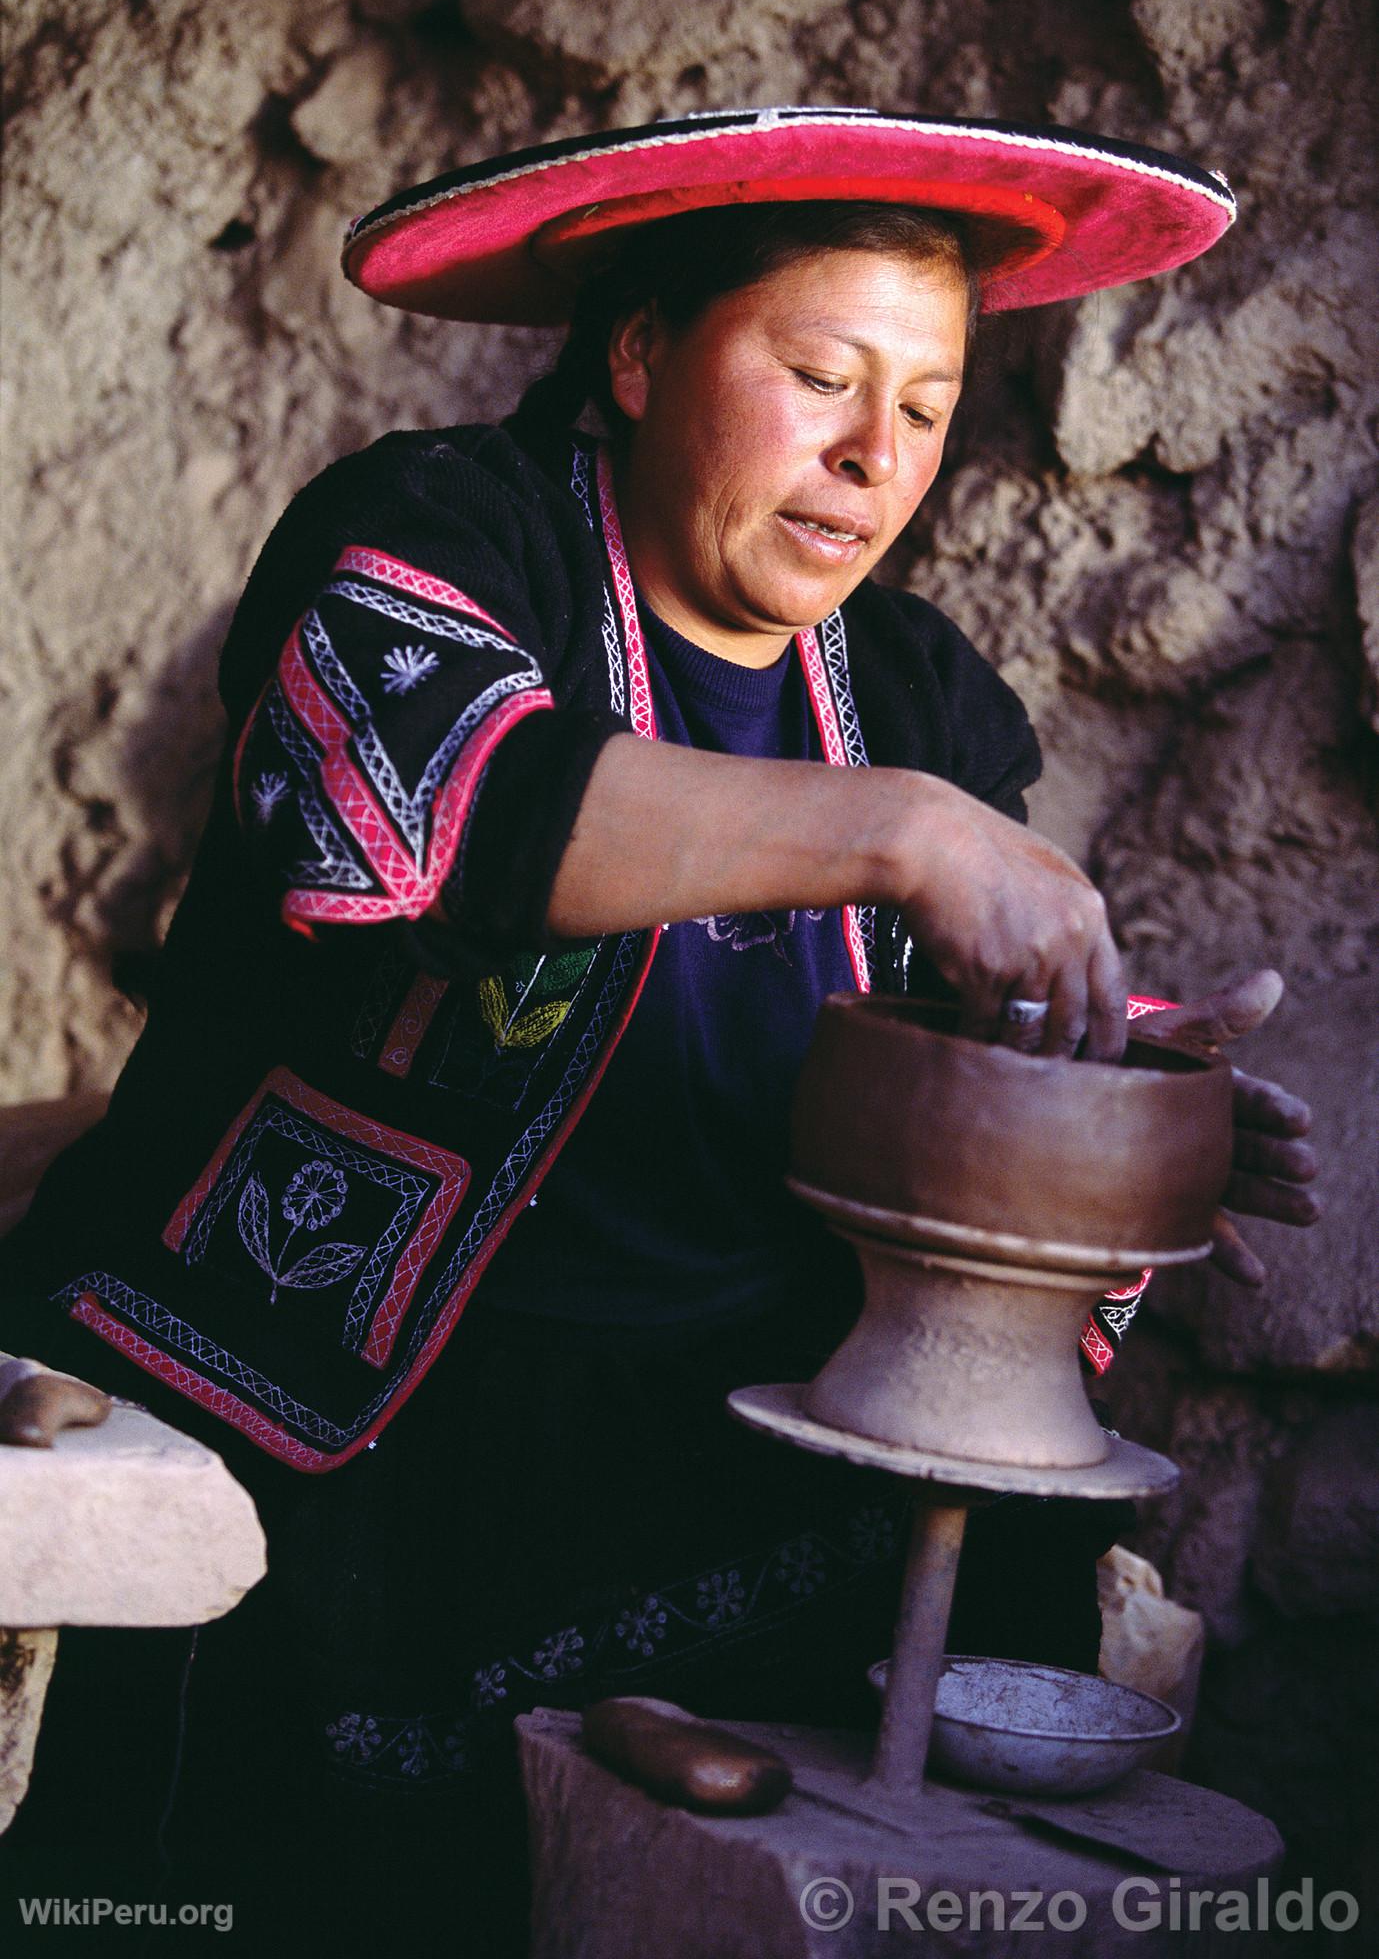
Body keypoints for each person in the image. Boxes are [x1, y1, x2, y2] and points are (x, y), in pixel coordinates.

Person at [1, 110, 1318, 1946]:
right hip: (344, 1412)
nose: (875, 456)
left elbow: (949, 1046)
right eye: (820, 375)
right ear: (635, 356)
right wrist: (905, 831)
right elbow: (428, 818)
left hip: (715, 1434)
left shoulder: (926, 695)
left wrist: (1118, 1095)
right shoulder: (435, 530)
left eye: (928, 409)